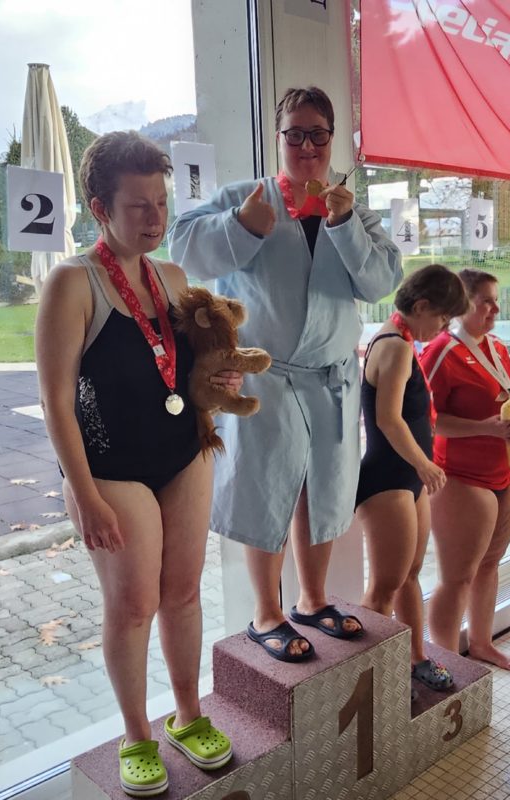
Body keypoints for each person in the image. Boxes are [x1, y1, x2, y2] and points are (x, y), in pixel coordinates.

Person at [168, 86, 402, 662]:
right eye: (294, 134)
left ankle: (313, 600)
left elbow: (380, 283)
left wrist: (344, 225)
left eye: (317, 134)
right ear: (278, 139)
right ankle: (265, 613)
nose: (307, 146)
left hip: (331, 377)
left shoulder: (353, 212)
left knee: (322, 488)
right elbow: (185, 250)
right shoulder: (243, 198)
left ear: (331, 140)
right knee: (268, 488)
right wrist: (242, 226)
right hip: (267, 377)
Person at [35, 131, 232, 797]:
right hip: (110, 469)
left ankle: (188, 714)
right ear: (99, 208)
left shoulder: (170, 277)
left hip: (180, 455)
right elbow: (56, 402)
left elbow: (188, 369)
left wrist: (220, 381)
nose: (156, 218)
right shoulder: (72, 285)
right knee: (134, 604)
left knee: (184, 591)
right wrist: (84, 495)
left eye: (161, 202)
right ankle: (136, 733)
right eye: (139, 206)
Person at [356, 264, 468, 692]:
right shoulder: (395, 347)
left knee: (410, 574)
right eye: (443, 318)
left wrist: (420, 468)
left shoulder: (401, 339)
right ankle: (369, 684)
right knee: (383, 589)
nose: (444, 328)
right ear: (421, 306)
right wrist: (424, 463)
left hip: (407, 477)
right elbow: (387, 419)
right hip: (388, 478)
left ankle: (416, 657)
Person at [420, 269, 510, 672]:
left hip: (504, 472)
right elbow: (426, 420)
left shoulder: (496, 347)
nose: (495, 308)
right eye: (486, 301)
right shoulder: (440, 351)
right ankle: (444, 660)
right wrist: (485, 428)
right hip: (460, 477)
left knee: (489, 565)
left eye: (496, 300)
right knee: (456, 578)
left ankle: (481, 643)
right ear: (462, 306)